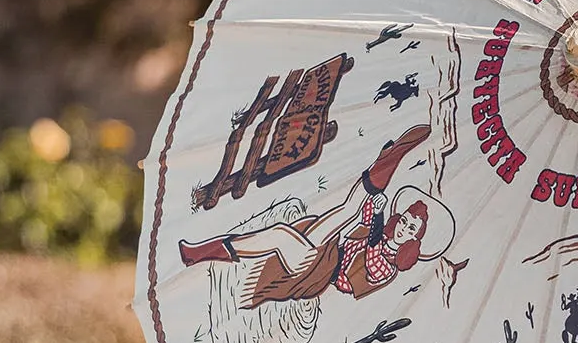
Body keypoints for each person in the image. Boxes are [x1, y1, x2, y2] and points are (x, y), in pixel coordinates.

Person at [175, 124, 452, 308]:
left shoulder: (389, 268)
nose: (403, 227)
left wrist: (378, 217)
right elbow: (363, 213)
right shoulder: (375, 230)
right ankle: (385, 162)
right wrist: (375, 206)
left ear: (415, 241)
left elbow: (371, 254)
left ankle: (203, 252)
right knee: (348, 209)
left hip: (323, 273)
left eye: (411, 229)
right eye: (404, 220)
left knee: (281, 236)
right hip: (327, 250)